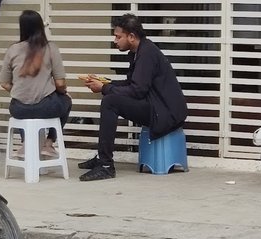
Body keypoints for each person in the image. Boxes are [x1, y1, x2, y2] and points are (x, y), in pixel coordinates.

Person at [79, 13, 187, 181]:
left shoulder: (147, 53)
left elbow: (137, 91)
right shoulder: (140, 51)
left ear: (131, 36)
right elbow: (132, 83)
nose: (115, 41)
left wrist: (105, 88)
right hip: (158, 107)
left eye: (118, 36)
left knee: (109, 102)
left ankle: (106, 165)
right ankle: (102, 159)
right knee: (110, 98)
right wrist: (105, 82)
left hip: (164, 114)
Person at [0, 9, 72, 158]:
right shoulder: (51, 48)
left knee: (21, 107)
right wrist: (62, 92)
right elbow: (60, 82)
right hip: (45, 107)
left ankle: (25, 144)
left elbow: (4, 83)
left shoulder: (12, 50)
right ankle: (48, 144)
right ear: (40, 26)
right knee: (67, 101)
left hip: (18, 109)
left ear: (22, 27)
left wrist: (20, 91)